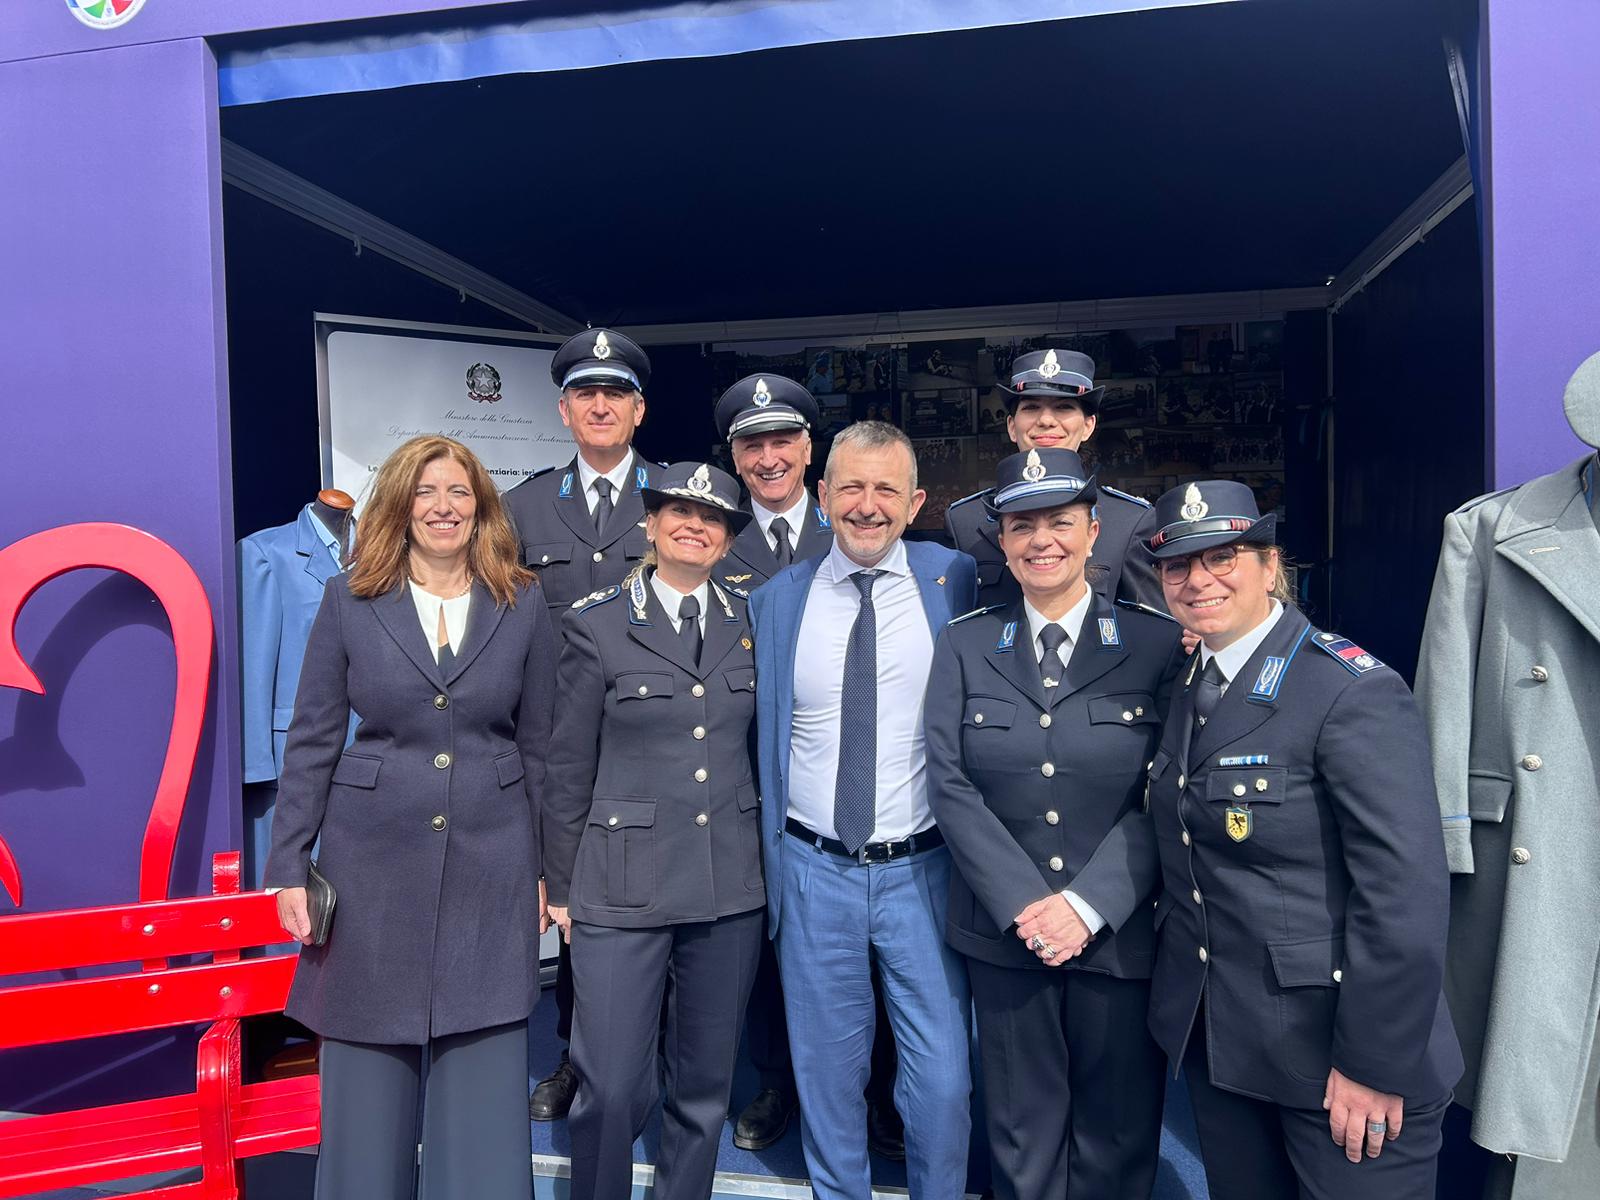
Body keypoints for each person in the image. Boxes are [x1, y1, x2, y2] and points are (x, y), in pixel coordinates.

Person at [1141, 480, 1462, 1199]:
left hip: (1337, 1061)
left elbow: (1404, 896)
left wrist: (1375, 1063)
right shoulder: (1188, 684)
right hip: (1227, 1043)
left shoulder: (1348, 690)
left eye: (1223, 556)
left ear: (1268, 562)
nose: (1199, 580)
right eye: (1178, 566)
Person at [266, 435, 557, 1199]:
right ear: (399, 505)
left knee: (483, 1102)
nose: (443, 507)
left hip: (491, 865)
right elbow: (313, 738)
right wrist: (289, 863)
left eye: (459, 492)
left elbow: (543, 748)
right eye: (427, 492)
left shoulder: (522, 602)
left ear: (481, 508)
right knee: (366, 1104)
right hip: (370, 871)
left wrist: (545, 870)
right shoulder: (350, 600)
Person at [925, 447, 1183, 1200]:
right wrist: (1027, 906)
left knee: (1119, 1134)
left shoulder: (1156, 642)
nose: (1043, 540)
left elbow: (1165, 786)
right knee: (1019, 1133)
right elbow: (949, 781)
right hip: (1008, 937)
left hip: (1119, 930)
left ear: (1094, 530)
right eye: (1022, 525)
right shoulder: (966, 643)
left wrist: (1086, 904)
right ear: (1001, 541)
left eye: (1060, 522)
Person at [748, 422, 978, 1200]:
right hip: (815, 873)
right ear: (822, 497)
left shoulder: (957, 582)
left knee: (943, 1083)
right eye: (851, 487)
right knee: (828, 1079)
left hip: (927, 871)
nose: (868, 506)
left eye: (886, 489)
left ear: (915, 503)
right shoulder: (777, 601)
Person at [542, 462, 764, 1200]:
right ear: (651, 523)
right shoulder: (596, 621)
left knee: (703, 1090)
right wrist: (563, 887)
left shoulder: (753, 619)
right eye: (678, 511)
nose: (693, 526)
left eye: (712, 518)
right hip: (619, 886)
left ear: (729, 539)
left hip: (725, 884)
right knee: (606, 1085)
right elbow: (567, 765)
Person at [711, 374, 906, 1158]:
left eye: (782, 441)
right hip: (744, 780)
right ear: (731, 455)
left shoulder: (859, 527)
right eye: (750, 445)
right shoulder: (710, 534)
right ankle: (774, 1081)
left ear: (809, 452)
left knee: (879, 954)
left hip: (852, 785)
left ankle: (882, 1096)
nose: (768, 458)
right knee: (770, 947)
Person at [503, 326, 655, 1120]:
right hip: (559, 748)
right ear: (564, 411)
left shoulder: (674, 500)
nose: (601, 406)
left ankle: (651, 1056)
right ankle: (575, 1056)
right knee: (570, 904)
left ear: (639, 410)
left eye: (616, 394)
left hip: (653, 745)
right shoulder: (523, 505)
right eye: (585, 394)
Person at [946, 348, 1163, 610]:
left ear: (1088, 426)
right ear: (1012, 426)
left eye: (1063, 407)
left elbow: (1151, 633)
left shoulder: (1130, 521)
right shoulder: (965, 521)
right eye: (1031, 407)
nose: (1046, 420)